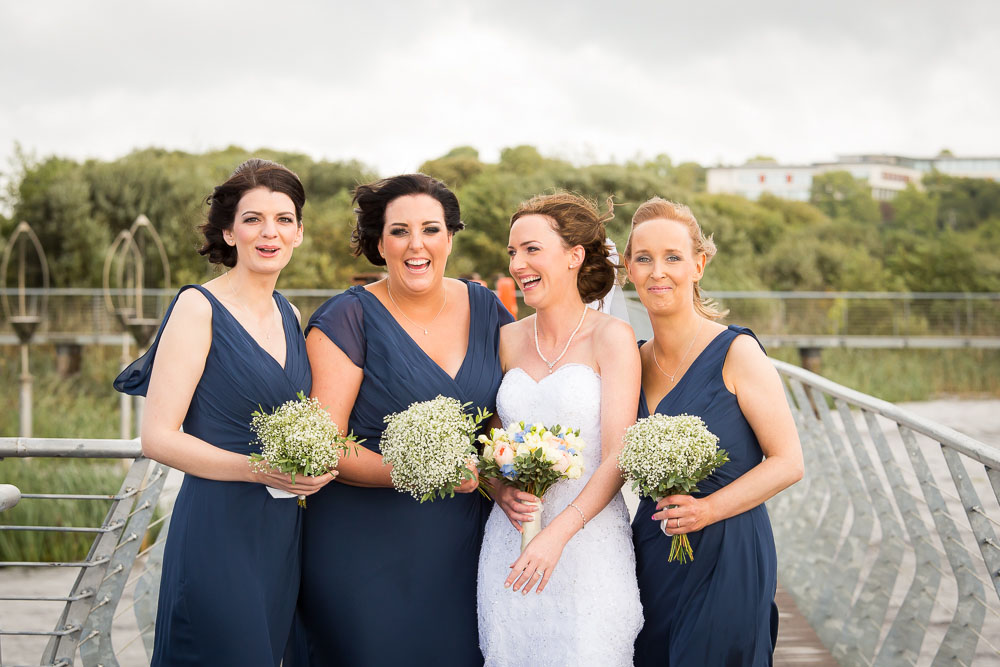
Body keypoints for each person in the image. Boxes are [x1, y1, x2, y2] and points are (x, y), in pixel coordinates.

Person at [114, 159, 334, 666]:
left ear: (299, 233)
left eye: (283, 219)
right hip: (218, 529)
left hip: (281, 531)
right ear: (229, 232)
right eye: (253, 219)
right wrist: (257, 469)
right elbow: (159, 438)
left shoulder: (288, 313)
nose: (269, 232)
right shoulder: (198, 308)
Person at [289, 174, 513, 665]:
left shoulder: (488, 308)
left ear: (450, 238)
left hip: (464, 547)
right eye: (399, 231)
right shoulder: (347, 319)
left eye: (431, 230)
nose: (417, 245)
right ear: (378, 242)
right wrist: (423, 472)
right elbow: (323, 444)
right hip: (363, 548)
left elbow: (501, 418)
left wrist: (501, 480)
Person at [624, 197, 804, 666]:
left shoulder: (737, 353)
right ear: (628, 268)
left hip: (729, 550)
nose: (657, 272)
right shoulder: (631, 361)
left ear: (699, 265)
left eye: (673, 257)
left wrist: (706, 510)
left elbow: (788, 461)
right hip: (654, 549)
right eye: (643, 259)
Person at [477, 193, 643, 666]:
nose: (518, 264)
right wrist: (497, 489)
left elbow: (618, 454)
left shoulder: (611, 338)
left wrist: (558, 535)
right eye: (512, 252)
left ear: (574, 257)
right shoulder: (507, 339)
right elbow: (492, 441)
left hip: (588, 546)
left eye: (531, 249)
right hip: (510, 543)